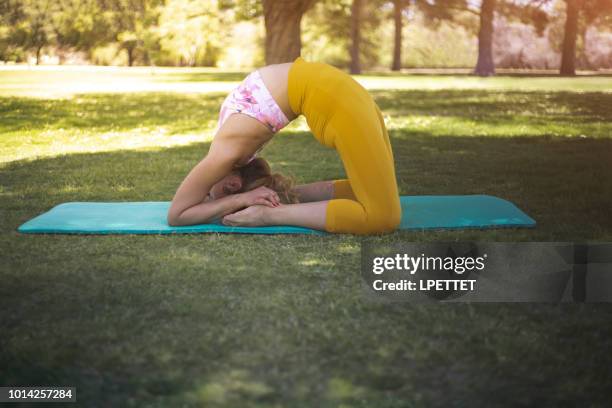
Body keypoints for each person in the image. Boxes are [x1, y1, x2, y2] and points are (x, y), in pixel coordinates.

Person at [167, 56, 401, 235]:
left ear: (232, 184)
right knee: (378, 191)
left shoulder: (225, 153)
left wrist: (241, 202)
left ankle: (269, 215)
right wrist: (250, 197)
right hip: (338, 89)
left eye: (208, 194)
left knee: (381, 217)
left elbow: (177, 215)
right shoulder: (232, 144)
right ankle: (279, 204)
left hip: (335, 95)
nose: (206, 191)